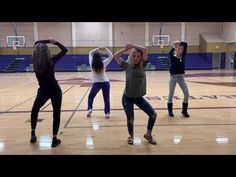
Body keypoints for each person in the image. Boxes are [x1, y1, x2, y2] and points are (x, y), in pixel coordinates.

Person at [114, 44, 157, 145]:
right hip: (127, 98)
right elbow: (115, 56)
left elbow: (145, 50)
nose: (136, 58)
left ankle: (148, 134)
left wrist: (133, 45)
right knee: (131, 119)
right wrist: (126, 49)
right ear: (131, 56)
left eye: (138, 56)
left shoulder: (143, 65)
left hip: (138, 97)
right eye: (134, 56)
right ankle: (131, 136)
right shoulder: (127, 66)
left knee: (153, 115)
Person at [30, 38, 68, 147]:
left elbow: (36, 42)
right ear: (47, 51)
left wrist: (46, 41)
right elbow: (65, 50)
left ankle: (33, 133)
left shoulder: (35, 62)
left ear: (36, 52)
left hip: (43, 91)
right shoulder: (51, 61)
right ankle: (54, 139)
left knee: (34, 110)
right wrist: (55, 42)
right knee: (56, 114)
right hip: (55, 90)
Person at [87, 47, 113, 119]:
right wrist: (105, 49)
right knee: (106, 97)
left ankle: (89, 109)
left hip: (96, 83)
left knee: (91, 96)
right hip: (105, 82)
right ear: (100, 57)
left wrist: (97, 48)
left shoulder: (91, 63)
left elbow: (90, 53)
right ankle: (107, 113)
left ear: (94, 58)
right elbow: (111, 56)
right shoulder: (103, 63)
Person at [167, 40, 190, 118]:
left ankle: (184, 110)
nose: (180, 50)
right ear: (176, 49)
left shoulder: (183, 56)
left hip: (181, 78)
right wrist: (175, 45)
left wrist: (179, 42)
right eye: (178, 48)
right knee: (171, 94)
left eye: (181, 49)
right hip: (173, 78)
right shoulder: (172, 57)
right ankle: (170, 111)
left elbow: (185, 44)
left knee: (186, 94)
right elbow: (170, 53)